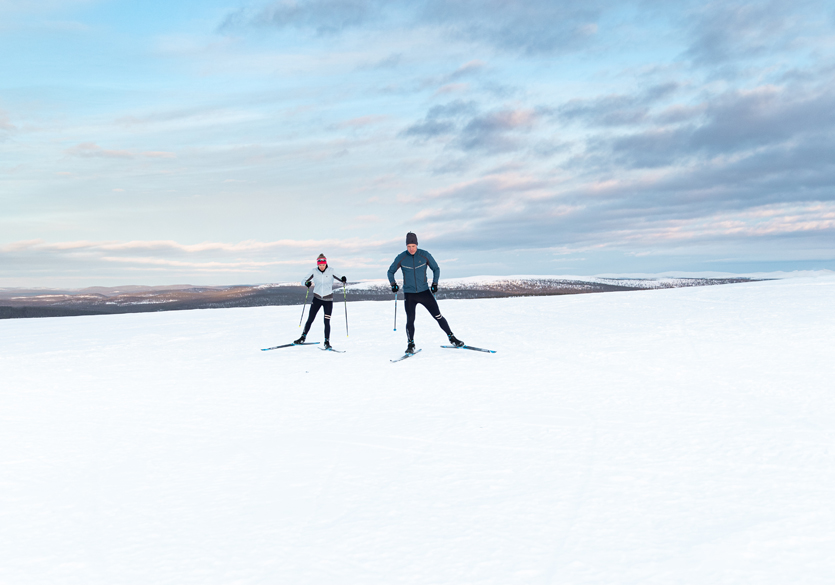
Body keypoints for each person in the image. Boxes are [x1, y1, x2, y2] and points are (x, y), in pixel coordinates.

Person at [387, 232, 464, 354]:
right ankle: (410, 344)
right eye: (409, 246)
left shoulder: (424, 255)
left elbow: (436, 269)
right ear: (406, 246)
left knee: (438, 316)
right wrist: (393, 284)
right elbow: (390, 272)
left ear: (417, 244)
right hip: (410, 294)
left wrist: (435, 284)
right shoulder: (401, 257)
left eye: (413, 246)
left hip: (424, 293)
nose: (411, 249)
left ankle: (452, 338)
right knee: (410, 319)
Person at [294, 254, 346, 350]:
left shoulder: (331, 271)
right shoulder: (314, 271)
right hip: (317, 299)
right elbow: (303, 281)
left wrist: (343, 279)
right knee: (310, 319)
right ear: (317, 264)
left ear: (325, 263)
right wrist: (306, 283)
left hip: (328, 300)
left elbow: (341, 277)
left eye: (323, 264)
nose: (321, 266)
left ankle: (327, 341)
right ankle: (303, 337)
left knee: (326, 321)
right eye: (320, 265)